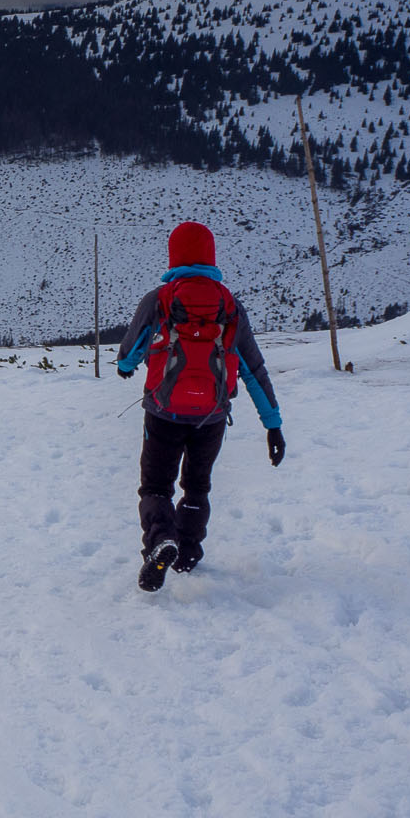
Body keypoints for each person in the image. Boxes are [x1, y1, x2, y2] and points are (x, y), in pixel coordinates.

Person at [115, 220, 285, 593]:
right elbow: (253, 369)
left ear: (174, 254)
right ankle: (188, 554)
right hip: (212, 417)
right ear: (211, 255)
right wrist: (273, 424)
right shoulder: (229, 305)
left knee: (156, 487)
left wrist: (126, 368)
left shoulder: (160, 299)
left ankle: (161, 539)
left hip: (163, 413)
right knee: (197, 487)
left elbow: (131, 350)